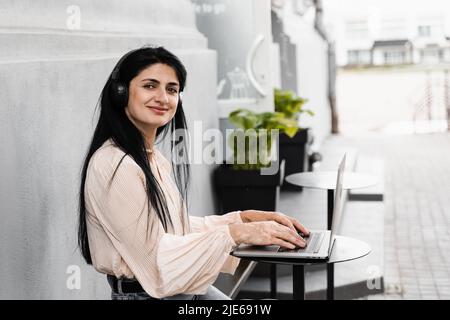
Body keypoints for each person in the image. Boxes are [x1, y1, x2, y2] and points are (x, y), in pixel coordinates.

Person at [78, 46, 310, 300]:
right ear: (120, 93)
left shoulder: (152, 159)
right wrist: (235, 234)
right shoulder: (114, 165)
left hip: (182, 289)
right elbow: (156, 259)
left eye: (172, 89)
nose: (163, 98)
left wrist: (242, 220)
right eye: (150, 85)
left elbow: (174, 230)